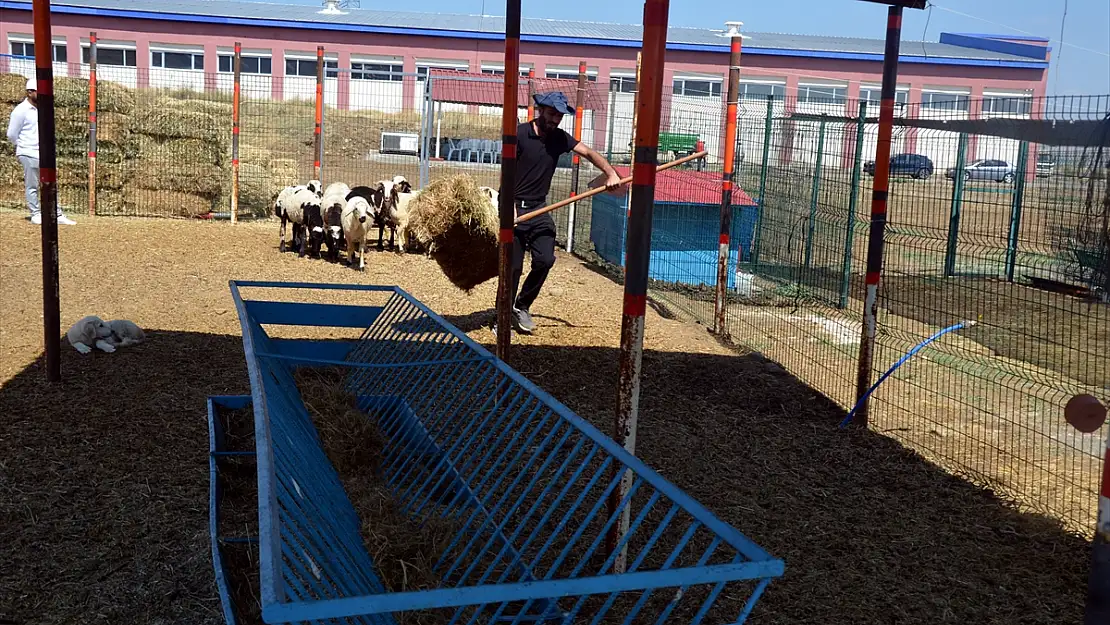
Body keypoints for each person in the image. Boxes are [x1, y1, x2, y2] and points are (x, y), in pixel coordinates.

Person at [503, 91, 622, 334]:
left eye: (559, 116)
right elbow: (506, 174)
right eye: (551, 114)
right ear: (541, 111)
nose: (555, 119)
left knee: (545, 259)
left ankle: (521, 306)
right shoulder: (519, 134)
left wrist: (611, 173)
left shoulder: (559, 138)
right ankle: (502, 315)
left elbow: (588, 152)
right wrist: (508, 208)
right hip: (512, 206)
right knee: (512, 267)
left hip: (540, 208)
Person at [6, 78, 76, 226]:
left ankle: (56, 213)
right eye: (39, 92)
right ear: (30, 92)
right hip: (28, 152)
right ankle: (35, 213)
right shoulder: (20, 111)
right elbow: (11, 134)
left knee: (51, 183)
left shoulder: (43, 109)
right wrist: (23, 146)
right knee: (32, 184)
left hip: (44, 153)